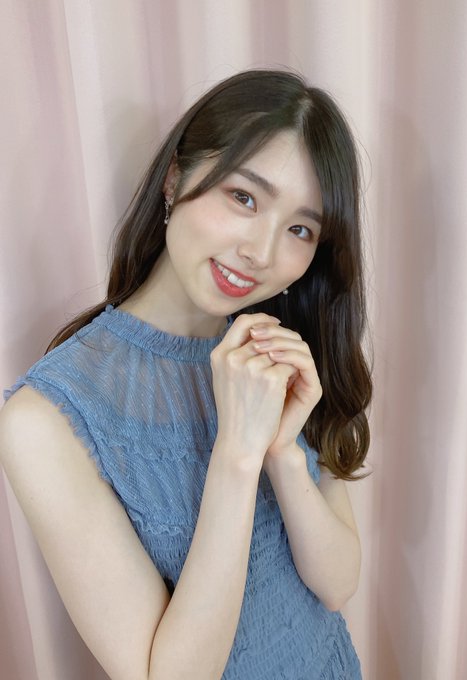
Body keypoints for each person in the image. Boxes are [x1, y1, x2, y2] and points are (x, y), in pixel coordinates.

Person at [0, 69, 372, 679]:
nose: (261, 252)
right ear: (175, 181)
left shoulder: (281, 348)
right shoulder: (47, 420)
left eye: (300, 229)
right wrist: (236, 456)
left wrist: (283, 452)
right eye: (244, 197)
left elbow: (337, 585)